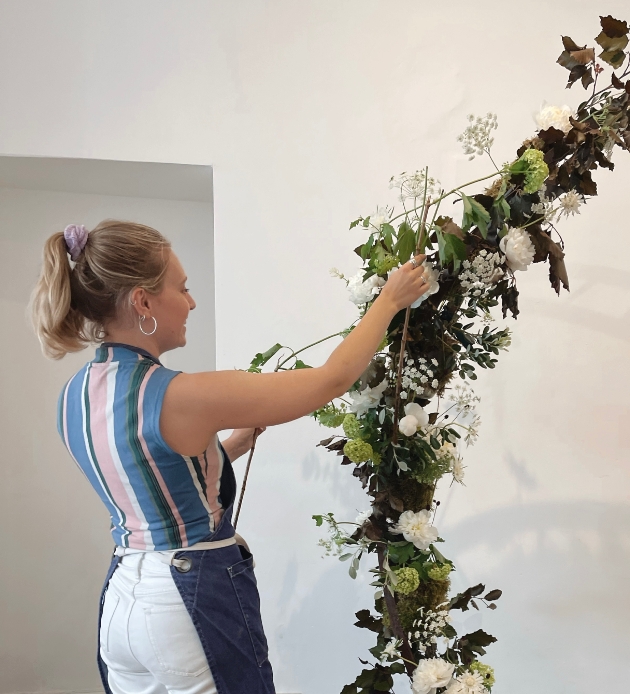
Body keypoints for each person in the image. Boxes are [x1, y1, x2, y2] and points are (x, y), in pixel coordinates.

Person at [29, 219, 432, 694]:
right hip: (186, 600)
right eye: (182, 288)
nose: (192, 301)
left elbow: (147, 473)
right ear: (142, 302)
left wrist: (230, 447)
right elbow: (331, 380)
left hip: (123, 599)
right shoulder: (182, 393)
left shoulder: (75, 395)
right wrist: (389, 300)